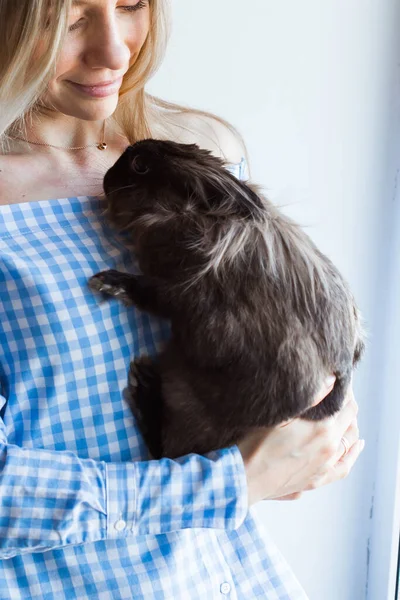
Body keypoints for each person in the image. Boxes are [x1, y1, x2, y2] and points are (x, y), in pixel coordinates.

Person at [0, 1, 364, 598]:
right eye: (64, 19)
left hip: (234, 579)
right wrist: (236, 482)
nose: (114, 51)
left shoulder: (194, 153)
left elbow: (275, 341)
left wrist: (312, 433)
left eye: (130, 4)